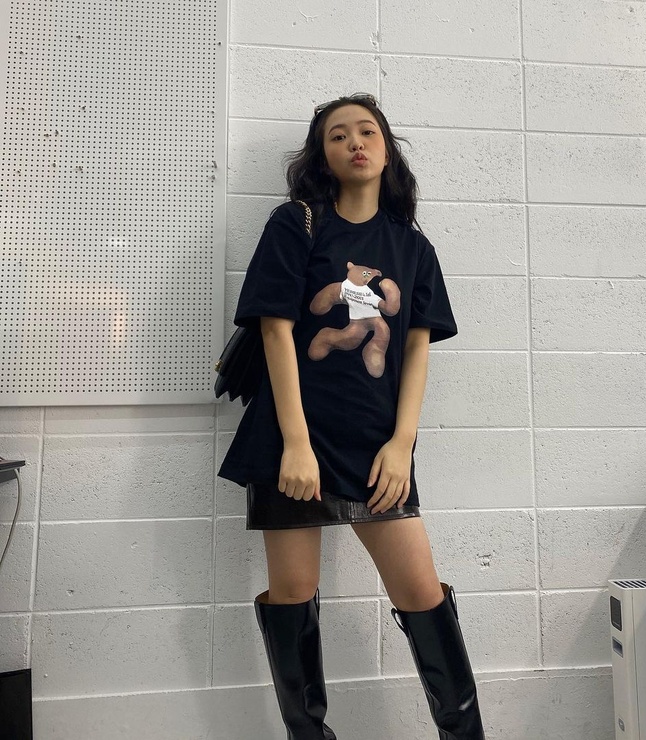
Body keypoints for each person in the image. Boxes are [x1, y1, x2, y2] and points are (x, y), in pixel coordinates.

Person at [218, 93, 485, 740]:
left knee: (421, 593)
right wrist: (296, 443)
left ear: (387, 151)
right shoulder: (296, 223)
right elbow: (276, 331)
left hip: (374, 447)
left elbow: (417, 350)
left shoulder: (412, 248)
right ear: (323, 156)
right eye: (337, 136)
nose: (354, 142)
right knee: (292, 593)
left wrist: (402, 445)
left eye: (367, 132)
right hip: (291, 441)